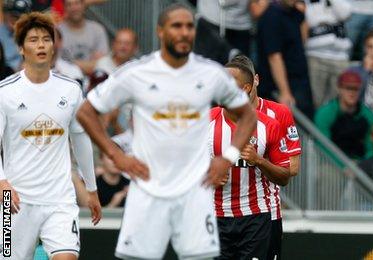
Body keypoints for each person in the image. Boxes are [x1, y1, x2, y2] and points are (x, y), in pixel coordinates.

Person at [76, 4, 257, 259]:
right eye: (176, 26)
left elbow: (248, 115)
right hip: (148, 190)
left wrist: (228, 157)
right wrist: (116, 156)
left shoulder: (211, 73)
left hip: (196, 190)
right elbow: (86, 112)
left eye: (189, 26)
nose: (184, 32)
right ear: (160, 31)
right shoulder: (136, 72)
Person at [0, 12, 101, 259]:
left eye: (46, 39)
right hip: (12, 200)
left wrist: (91, 188)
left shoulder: (71, 89)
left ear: (54, 46)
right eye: (33, 40)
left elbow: (80, 140)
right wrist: (2, 183)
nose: (41, 45)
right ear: (21, 48)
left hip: (59, 199)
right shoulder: (5, 93)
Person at [224, 54, 301, 260]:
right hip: (223, 211)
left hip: (266, 212)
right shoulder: (217, 117)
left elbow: (292, 167)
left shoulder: (278, 114)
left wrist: (259, 160)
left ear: (255, 81)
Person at [209, 93, 290, 260]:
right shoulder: (205, 122)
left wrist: (259, 161)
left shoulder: (268, 124)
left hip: (256, 217)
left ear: (244, 88)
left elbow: (286, 175)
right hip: (215, 216)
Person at [256, 0, 314, 118]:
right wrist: (284, 92)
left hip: (300, 81)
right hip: (280, 86)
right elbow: (274, 56)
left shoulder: (295, 13)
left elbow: (303, 39)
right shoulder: (271, 16)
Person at [314, 70, 373, 160]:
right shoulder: (325, 113)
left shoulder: (367, 115)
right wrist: (344, 167)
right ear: (339, 89)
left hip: (360, 165)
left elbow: (371, 147)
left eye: (355, 89)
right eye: (348, 88)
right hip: (331, 163)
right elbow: (324, 146)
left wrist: (363, 166)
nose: (352, 93)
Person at [58, 0, 109, 75]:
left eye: (77, 3)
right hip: (65, 81)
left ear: (83, 5)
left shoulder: (97, 29)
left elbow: (102, 65)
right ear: (64, 8)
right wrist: (89, 64)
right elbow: (56, 65)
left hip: (94, 82)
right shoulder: (57, 32)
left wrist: (69, 62)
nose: (74, 8)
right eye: (69, 5)